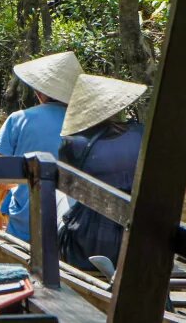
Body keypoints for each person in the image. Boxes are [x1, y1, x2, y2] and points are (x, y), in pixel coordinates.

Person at [0, 51, 82, 242]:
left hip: (26, 227)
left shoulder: (19, 118)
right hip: (75, 227)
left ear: (41, 92)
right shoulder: (87, 124)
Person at [58, 74, 146, 271]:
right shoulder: (142, 134)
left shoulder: (73, 144)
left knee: (57, 200)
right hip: (140, 239)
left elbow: (69, 192)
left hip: (87, 242)